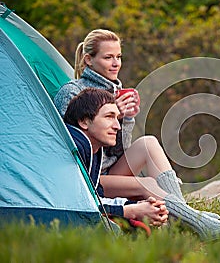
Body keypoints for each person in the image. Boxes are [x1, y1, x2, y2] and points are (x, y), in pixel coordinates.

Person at [54, 29, 220, 241]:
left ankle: (185, 215)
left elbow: (119, 148)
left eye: (119, 57)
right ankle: (197, 222)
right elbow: (68, 144)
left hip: (110, 169)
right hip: (87, 175)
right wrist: (116, 113)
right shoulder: (72, 92)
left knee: (148, 143)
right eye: (108, 57)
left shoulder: (116, 91)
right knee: (146, 184)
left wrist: (126, 119)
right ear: (88, 60)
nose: (116, 63)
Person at [64, 88, 168, 227]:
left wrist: (139, 206)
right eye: (109, 117)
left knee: (149, 142)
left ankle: (176, 214)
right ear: (84, 122)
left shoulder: (93, 150)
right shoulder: (73, 148)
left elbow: (95, 198)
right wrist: (132, 210)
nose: (117, 126)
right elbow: (79, 206)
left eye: (117, 118)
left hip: (106, 181)